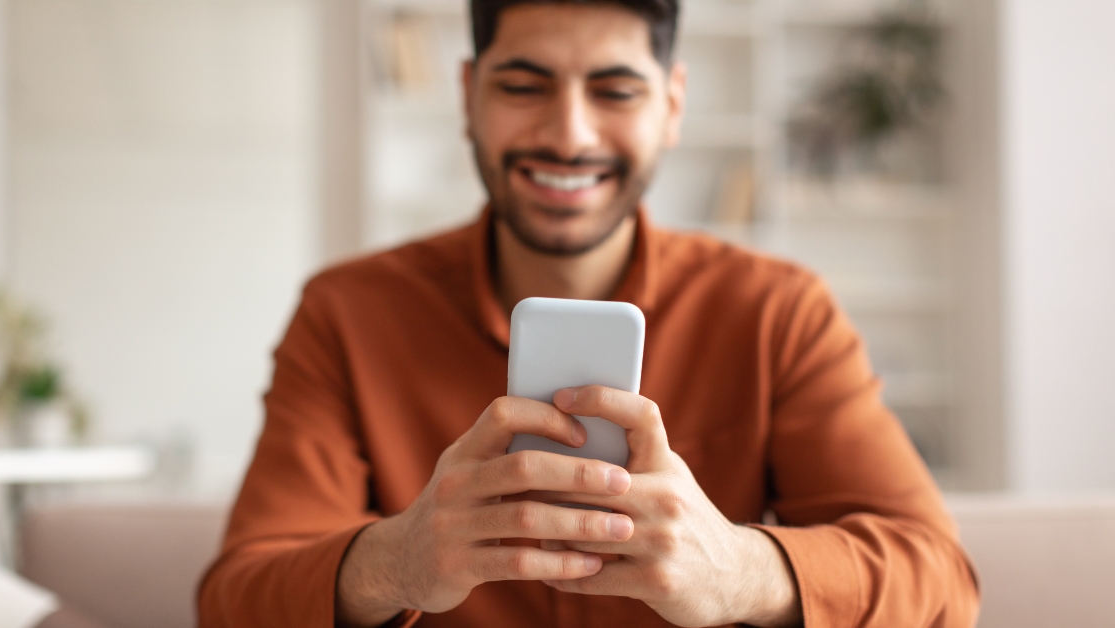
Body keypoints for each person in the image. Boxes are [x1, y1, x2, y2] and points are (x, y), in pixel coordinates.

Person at [198, 1, 979, 626]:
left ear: (671, 106)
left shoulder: (779, 312)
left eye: (615, 91)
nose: (569, 135)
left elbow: (941, 583)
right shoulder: (347, 314)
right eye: (522, 86)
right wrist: (397, 562)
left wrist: (739, 571)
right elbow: (234, 601)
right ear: (468, 96)